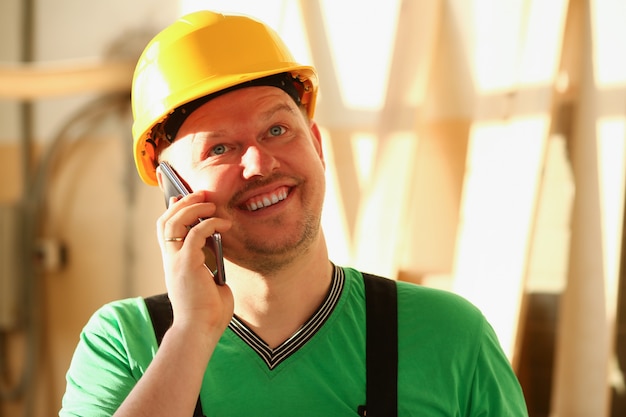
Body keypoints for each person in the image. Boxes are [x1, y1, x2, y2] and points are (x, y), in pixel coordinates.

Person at [60, 10, 528, 417]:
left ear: (317, 145)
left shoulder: (451, 335)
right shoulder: (124, 344)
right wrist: (190, 334)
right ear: (174, 191)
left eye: (278, 129)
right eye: (219, 148)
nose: (260, 163)